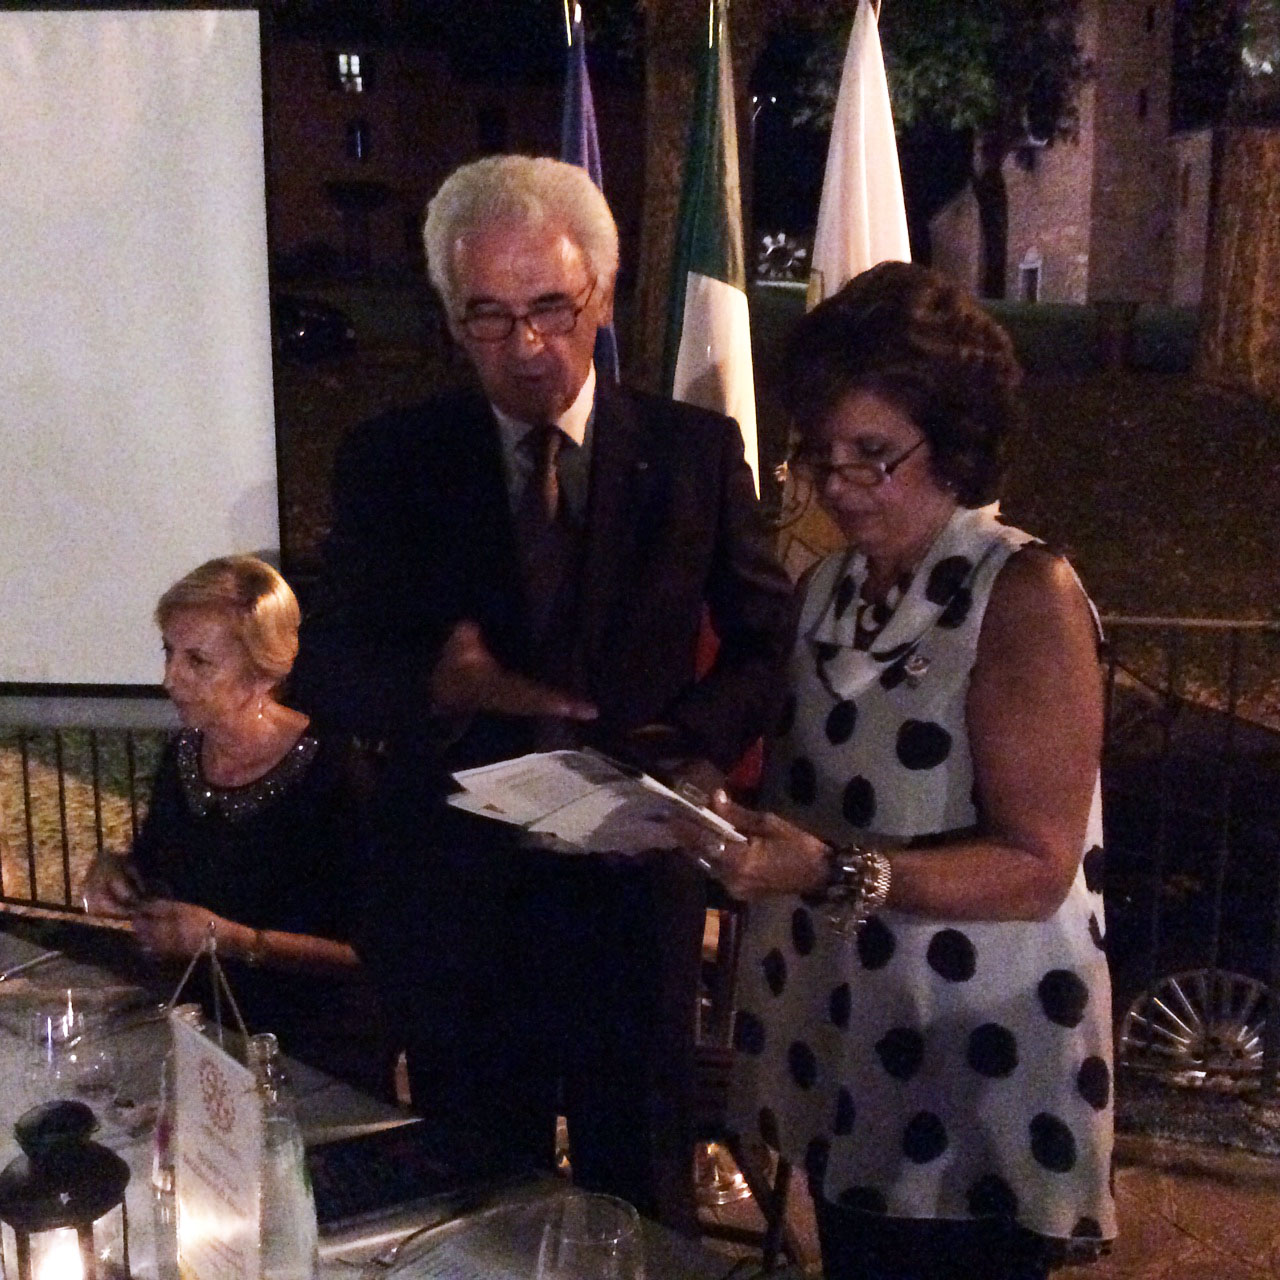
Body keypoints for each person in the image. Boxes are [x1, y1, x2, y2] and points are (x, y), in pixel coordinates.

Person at [291, 154, 793, 1227]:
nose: (526, 346)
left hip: (633, 893)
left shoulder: (694, 454)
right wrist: (437, 682)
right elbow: (326, 663)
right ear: (450, 315)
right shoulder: (391, 460)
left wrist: (690, 746)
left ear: (601, 294)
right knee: (483, 1198)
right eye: (490, 315)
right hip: (459, 900)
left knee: (639, 1196)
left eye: (551, 309)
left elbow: (769, 643)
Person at [682, 263, 1115, 1278]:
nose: (837, 485)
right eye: (820, 454)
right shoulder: (829, 585)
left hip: (968, 1058)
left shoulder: (1020, 590)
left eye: (873, 455)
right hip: (843, 1037)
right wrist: (713, 810)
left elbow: (1036, 866)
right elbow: (820, 792)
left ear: (953, 443)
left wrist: (830, 870)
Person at [83, 556, 385, 1092]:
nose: (170, 679)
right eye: (169, 653)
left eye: (198, 661)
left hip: (313, 1055)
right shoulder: (184, 756)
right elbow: (162, 868)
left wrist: (233, 940)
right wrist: (116, 872)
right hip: (204, 1038)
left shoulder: (334, 772)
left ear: (264, 671)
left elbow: (375, 953)